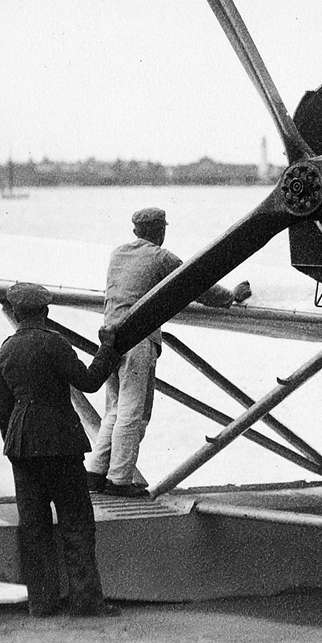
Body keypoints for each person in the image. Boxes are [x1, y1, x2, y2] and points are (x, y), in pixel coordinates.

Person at [86, 207, 252, 497]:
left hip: (109, 338)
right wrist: (231, 297)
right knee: (133, 411)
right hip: (138, 339)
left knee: (113, 408)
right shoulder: (161, 257)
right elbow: (197, 283)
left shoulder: (118, 253)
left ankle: (95, 474)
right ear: (159, 230)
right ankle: (120, 480)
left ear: (136, 231)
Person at [0, 281, 123, 617]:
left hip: (21, 446)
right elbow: (91, 382)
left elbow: (1, 409)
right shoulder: (55, 345)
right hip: (62, 444)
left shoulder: (4, 352)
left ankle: (41, 603)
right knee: (76, 522)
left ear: (15, 312)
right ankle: (86, 603)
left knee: (34, 526)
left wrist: (17, 438)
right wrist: (107, 348)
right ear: (45, 312)